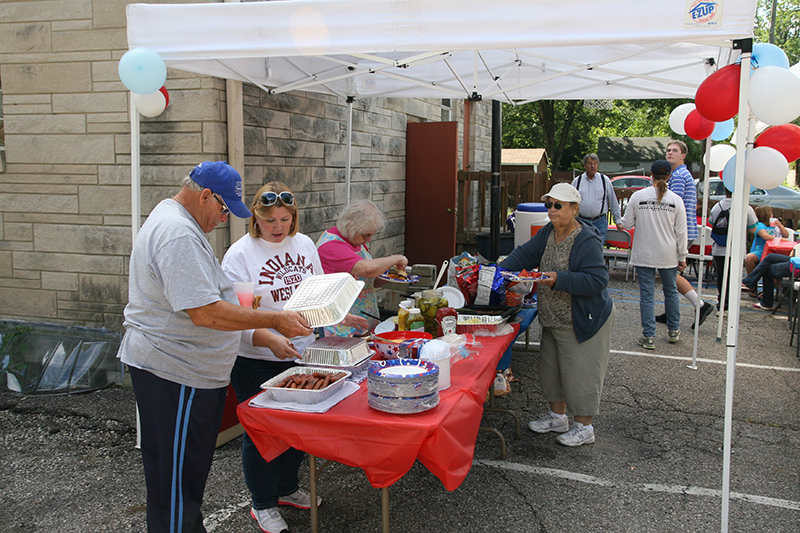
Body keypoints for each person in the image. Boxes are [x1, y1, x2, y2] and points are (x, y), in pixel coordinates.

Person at [118, 161, 312, 533]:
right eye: (223, 209)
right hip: (176, 372)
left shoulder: (176, 221)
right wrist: (272, 320)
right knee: (176, 480)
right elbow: (205, 313)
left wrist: (266, 330)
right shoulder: (178, 234)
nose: (224, 218)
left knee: (182, 480)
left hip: (181, 371)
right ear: (204, 195)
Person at [220, 182, 368, 533]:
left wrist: (339, 314)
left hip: (302, 352)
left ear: (293, 217)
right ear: (255, 217)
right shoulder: (239, 256)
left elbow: (316, 295)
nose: (277, 226)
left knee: (298, 428)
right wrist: (270, 339)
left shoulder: (303, 245)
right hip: (256, 358)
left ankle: (286, 488)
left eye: (284, 219)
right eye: (269, 219)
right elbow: (236, 318)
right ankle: (263, 504)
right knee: (262, 433)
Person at [500, 183, 615, 447]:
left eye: (558, 205)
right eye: (548, 204)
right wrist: (497, 271)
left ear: (574, 209)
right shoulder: (548, 232)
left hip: (581, 319)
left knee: (579, 374)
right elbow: (524, 255)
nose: (551, 210)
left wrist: (558, 279)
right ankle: (557, 417)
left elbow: (598, 280)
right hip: (553, 318)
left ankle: (584, 428)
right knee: (550, 371)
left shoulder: (586, 238)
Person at [621, 160, 687, 350]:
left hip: (645, 252)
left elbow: (626, 224)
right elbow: (681, 231)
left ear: (651, 174)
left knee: (647, 294)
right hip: (668, 253)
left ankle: (649, 336)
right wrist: (682, 256)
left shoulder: (638, 196)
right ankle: (673, 331)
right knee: (671, 291)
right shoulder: (675, 200)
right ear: (669, 175)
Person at [317, 199, 408, 336]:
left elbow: (371, 280)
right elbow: (367, 270)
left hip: (365, 320)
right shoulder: (331, 246)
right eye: (367, 235)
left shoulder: (355, 240)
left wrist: (393, 275)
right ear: (350, 226)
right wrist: (395, 258)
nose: (369, 240)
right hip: (343, 326)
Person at [655, 140, 715, 328]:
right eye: (668, 150)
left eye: (674, 151)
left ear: (683, 156)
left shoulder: (679, 176)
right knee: (669, 271)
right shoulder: (681, 174)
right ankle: (672, 309)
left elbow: (672, 205)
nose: (669, 153)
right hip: (682, 229)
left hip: (678, 230)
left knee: (669, 272)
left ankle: (701, 304)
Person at [708, 187, 757, 312]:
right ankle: (732, 302)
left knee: (721, 276)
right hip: (737, 248)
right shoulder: (745, 207)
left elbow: (712, 223)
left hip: (719, 248)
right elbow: (753, 228)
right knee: (735, 277)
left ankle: (722, 300)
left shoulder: (717, 206)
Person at [571, 153, 623, 242]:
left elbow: (613, 201)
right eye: (590, 163)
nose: (593, 166)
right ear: (585, 165)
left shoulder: (604, 180)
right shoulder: (577, 181)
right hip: (582, 221)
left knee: (597, 249)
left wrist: (618, 220)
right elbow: (570, 202)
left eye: (595, 163)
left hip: (600, 222)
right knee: (583, 247)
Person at [744, 206, 788, 274]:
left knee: (776, 265)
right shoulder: (759, 225)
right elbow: (765, 236)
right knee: (749, 258)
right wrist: (782, 239)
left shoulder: (774, 225)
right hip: (761, 251)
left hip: (776, 251)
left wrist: (780, 225)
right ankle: (752, 278)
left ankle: (772, 283)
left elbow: (786, 235)